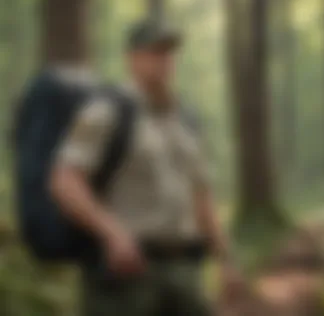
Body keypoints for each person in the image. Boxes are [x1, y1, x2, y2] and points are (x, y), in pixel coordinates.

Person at [50, 19, 242, 316]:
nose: (165, 59)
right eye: (155, 51)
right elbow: (65, 181)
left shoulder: (186, 120)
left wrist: (225, 259)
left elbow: (202, 199)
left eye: (169, 52)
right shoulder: (107, 111)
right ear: (132, 58)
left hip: (184, 270)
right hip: (126, 273)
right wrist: (111, 233)